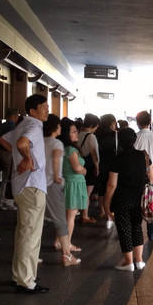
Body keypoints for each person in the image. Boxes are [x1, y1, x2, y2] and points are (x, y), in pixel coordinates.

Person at [0, 94, 50, 293]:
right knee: (31, 235)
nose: (47, 110)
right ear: (32, 111)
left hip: (22, 186)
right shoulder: (34, 126)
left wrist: (20, 156)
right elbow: (21, 143)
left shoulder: (21, 123)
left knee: (24, 233)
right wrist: (27, 158)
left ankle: (19, 275)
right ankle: (26, 281)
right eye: (43, 107)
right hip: (32, 185)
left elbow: (4, 140)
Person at [104, 128, 153, 271]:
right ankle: (139, 261)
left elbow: (112, 185)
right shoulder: (143, 156)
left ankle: (128, 263)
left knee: (125, 230)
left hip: (122, 200)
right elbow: (151, 177)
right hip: (139, 200)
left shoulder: (117, 159)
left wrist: (106, 204)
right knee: (137, 227)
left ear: (120, 141)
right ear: (135, 140)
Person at [43, 114, 81, 267]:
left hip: (39, 184)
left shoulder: (41, 142)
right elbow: (56, 157)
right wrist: (57, 176)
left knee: (38, 220)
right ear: (55, 128)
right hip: (52, 183)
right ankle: (66, 255)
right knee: (61, 220)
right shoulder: (57, 144)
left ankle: (32, 254)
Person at [133, 110, 153, 241]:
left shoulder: (135, 137)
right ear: (150, 122)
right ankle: (152, 233)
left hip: (137, 172)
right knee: (151, 201)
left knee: (137, 200)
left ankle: (137, 231)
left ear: (137, 123)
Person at [58, 117, 87, 253]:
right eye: (74, 131)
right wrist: (84, 170)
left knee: (65, 216)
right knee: (71, 216)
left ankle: (58, 241)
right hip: (74, 184)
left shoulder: (62, 147)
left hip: (67, 183)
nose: (76, 134)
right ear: (66, 134)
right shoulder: (71, 150)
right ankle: (67, 244)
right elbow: (77, 168)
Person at [96, 113, 119, 228]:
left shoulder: (97, 135)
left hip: (101, 166)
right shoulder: (115, 136)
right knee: (112, 189)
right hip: (113, 166)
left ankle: (104, 212)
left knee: (103, 189)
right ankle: (111, 213)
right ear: (112, 123)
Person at [78, 113, 100, 224]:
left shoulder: (77, 134)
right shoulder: (90, 136)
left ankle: (79, 212)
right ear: (93, 125)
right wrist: (97, 167)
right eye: (96, 126)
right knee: (87, 192)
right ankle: (85, 215)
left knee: (80, 190)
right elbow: (94, 154)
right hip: (89, 166)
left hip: (79, 164)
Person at [0, 107, 19, 211]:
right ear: (14, 116)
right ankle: (5, 201)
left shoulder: (1, 126)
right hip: (9, 153)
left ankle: (3, 200)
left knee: (5, 176)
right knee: (9, 177)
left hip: (1, 152)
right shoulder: (12, 126)